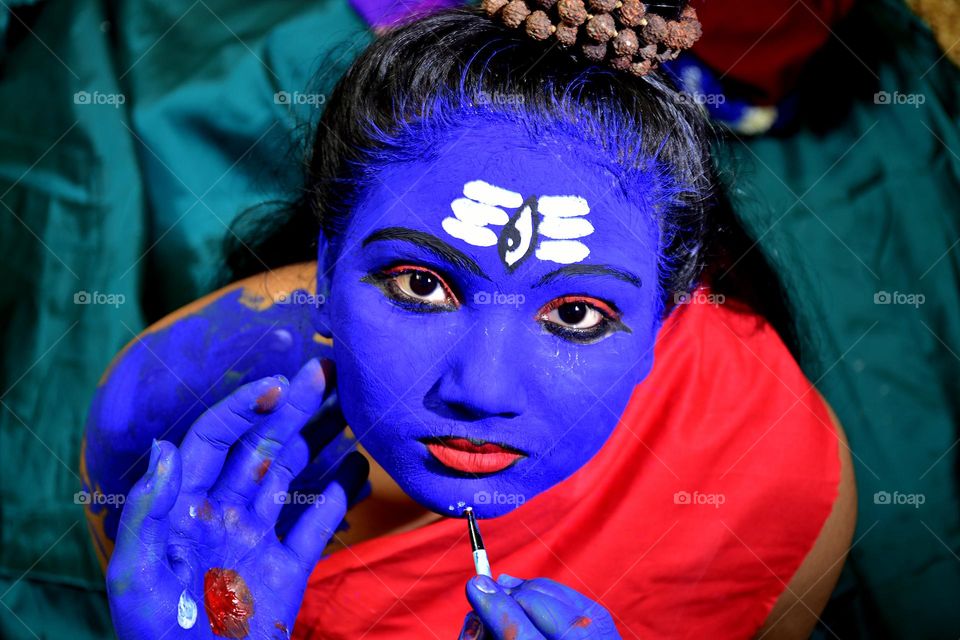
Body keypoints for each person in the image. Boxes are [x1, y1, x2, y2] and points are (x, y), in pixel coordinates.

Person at [82, 4, 856, 638]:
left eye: (578, 313)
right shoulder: (164, 439)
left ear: (668, 312)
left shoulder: (770, 484)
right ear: (325, 263)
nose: (480, 391)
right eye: (421, 285)